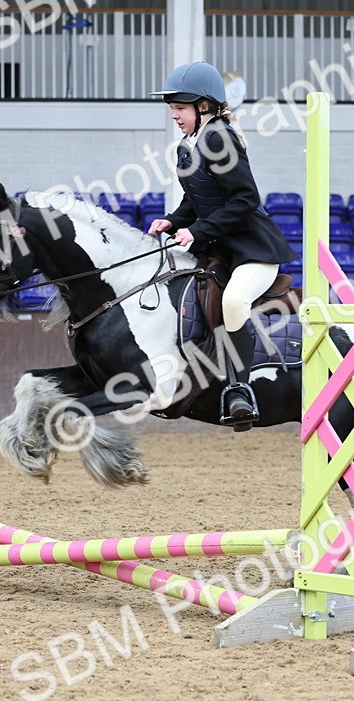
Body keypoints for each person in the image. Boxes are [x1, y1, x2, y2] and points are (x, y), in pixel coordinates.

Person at [147, 61, 297, 431]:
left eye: (179, 109)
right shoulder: (187, 146)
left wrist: (197, 232)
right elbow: (196, 201)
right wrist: (173, 220)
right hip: (220, 251)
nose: (174, 116)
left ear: (204, 107)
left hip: (254, 252)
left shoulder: (220, 138)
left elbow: (244, 200)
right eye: (172, 110)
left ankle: (239, 388)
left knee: (233, 302)